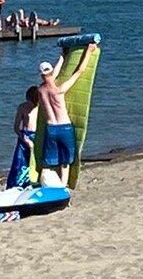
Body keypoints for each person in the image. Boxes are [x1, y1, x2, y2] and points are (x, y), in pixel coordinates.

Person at [30, 41, 97, 187]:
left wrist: (62, 55)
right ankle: (63, 185)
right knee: (65, 162)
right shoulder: (60, 90)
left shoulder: (40, 91)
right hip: (64, 127)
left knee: (49, 161)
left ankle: (45, 184)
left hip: (51, 128)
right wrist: (89, 52)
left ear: (41, 75)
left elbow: (51, 75)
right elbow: (79, 71)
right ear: (51, 72)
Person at [8, 89, 39, 187]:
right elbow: (16, 127)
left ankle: (35, 183)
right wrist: (24, 138)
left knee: (36, 162)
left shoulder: (41, 107)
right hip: (25, 136)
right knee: (20, 162)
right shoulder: (22, 107)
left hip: (37, 136)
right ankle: (18, 184)